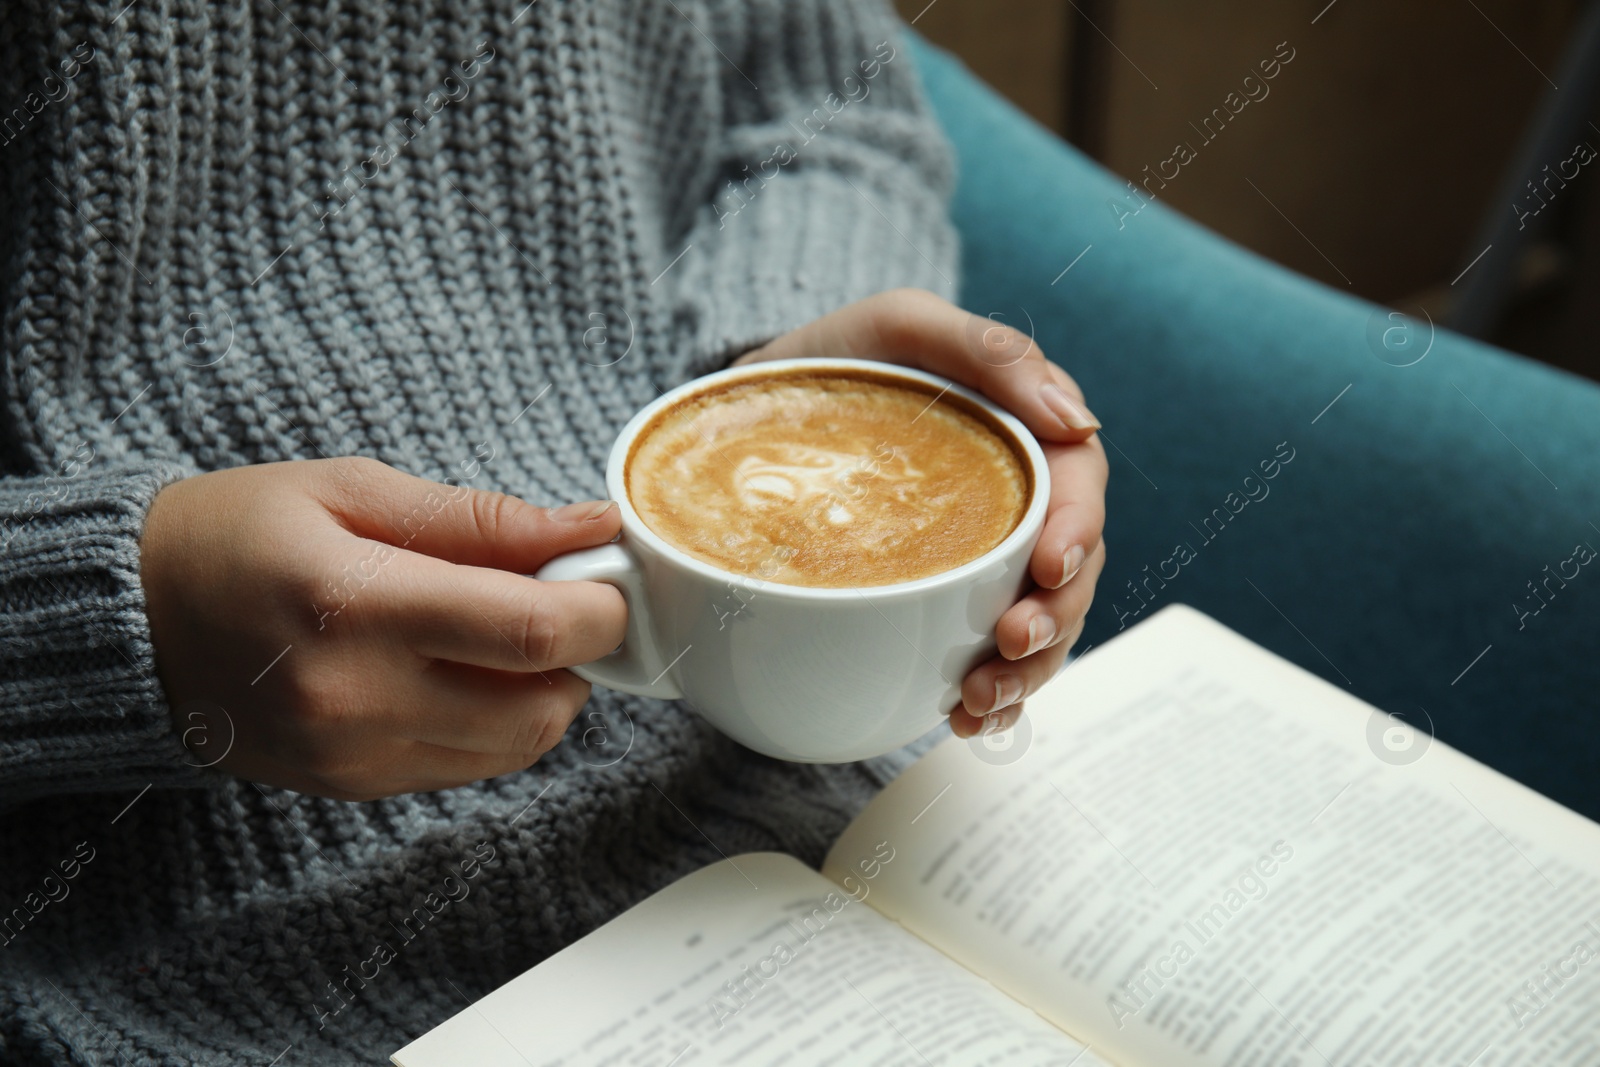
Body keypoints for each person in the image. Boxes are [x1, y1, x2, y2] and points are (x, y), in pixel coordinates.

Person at [0, 0, 1105, 1061]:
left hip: (871, 811)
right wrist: (115, 620)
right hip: (204, 935)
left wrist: (799, 358)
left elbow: (833, 105)